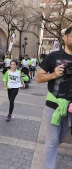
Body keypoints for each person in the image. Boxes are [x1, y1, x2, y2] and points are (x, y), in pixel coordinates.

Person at [36, 27, 72, 169]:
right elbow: (39, 78)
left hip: (70, 107)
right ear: (64, 37)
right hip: (53, 103)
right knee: (52, 140)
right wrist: (53, 75)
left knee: (60, 138)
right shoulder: (53, 56)